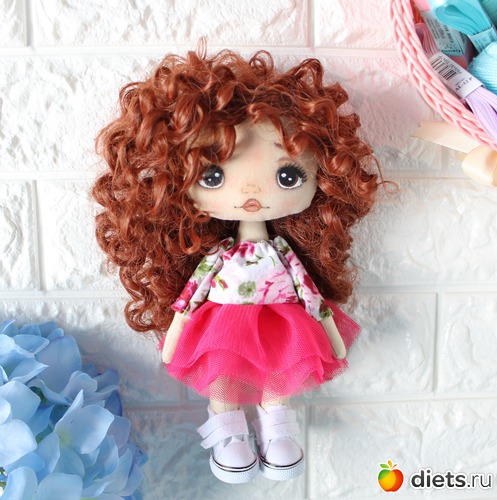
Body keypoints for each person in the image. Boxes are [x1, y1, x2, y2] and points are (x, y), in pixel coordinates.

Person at [92, 47, 380, 483]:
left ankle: (277, 430)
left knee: (278, 375)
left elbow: (310, 294)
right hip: (223, 323)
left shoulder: (282, 252)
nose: (250, 193)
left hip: (281, 320)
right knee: (223, 377)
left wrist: (331, 336)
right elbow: (189, 299)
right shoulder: (218, 255)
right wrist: (174, 338)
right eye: (213, 177)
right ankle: (229, 434)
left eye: (288, 176)